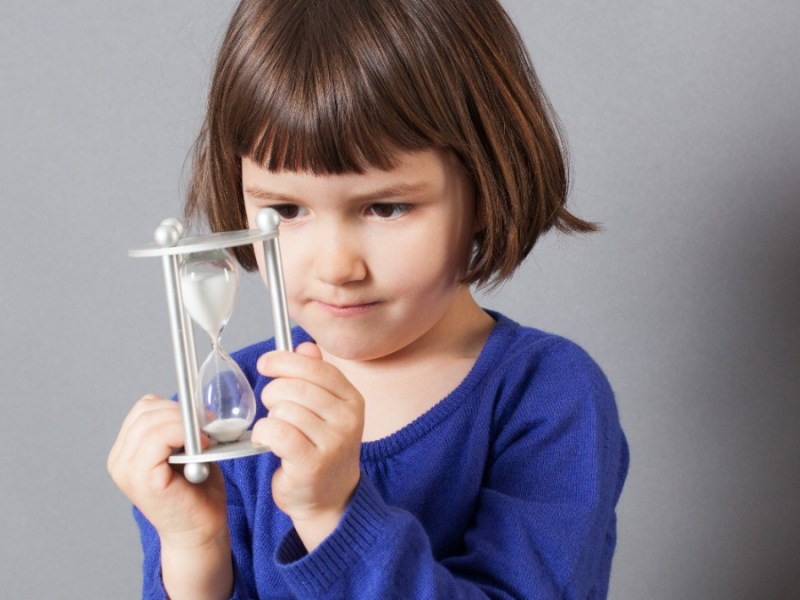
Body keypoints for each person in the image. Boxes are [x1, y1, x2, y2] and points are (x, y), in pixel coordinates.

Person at [108, 0, 629, 598]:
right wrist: (193, 547)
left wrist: (333, 513)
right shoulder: (234, 410)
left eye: (385, 207)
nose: (336, 266)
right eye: (285, 210)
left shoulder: (547, 397)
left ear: (485, 187)